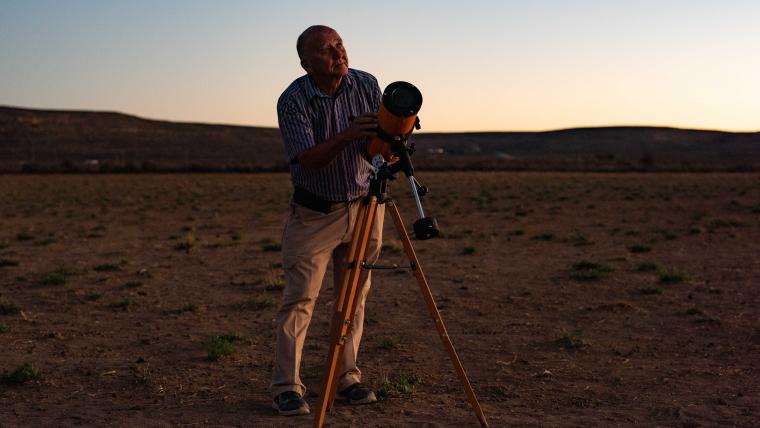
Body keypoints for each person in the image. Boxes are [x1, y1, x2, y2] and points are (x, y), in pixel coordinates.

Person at [270, 25, 384, 416]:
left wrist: (390, 141)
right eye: (325, 48)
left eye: (339, 43)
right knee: (300, 299)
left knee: (353, 298)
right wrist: (347, 134)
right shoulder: (293, 101)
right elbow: (309, 160)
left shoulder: (367, 84)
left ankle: (345, 377)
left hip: (365, 206)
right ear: (306, 63)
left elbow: (376, 145)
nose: (338, 52)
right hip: (315, 213)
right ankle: (287, 386)